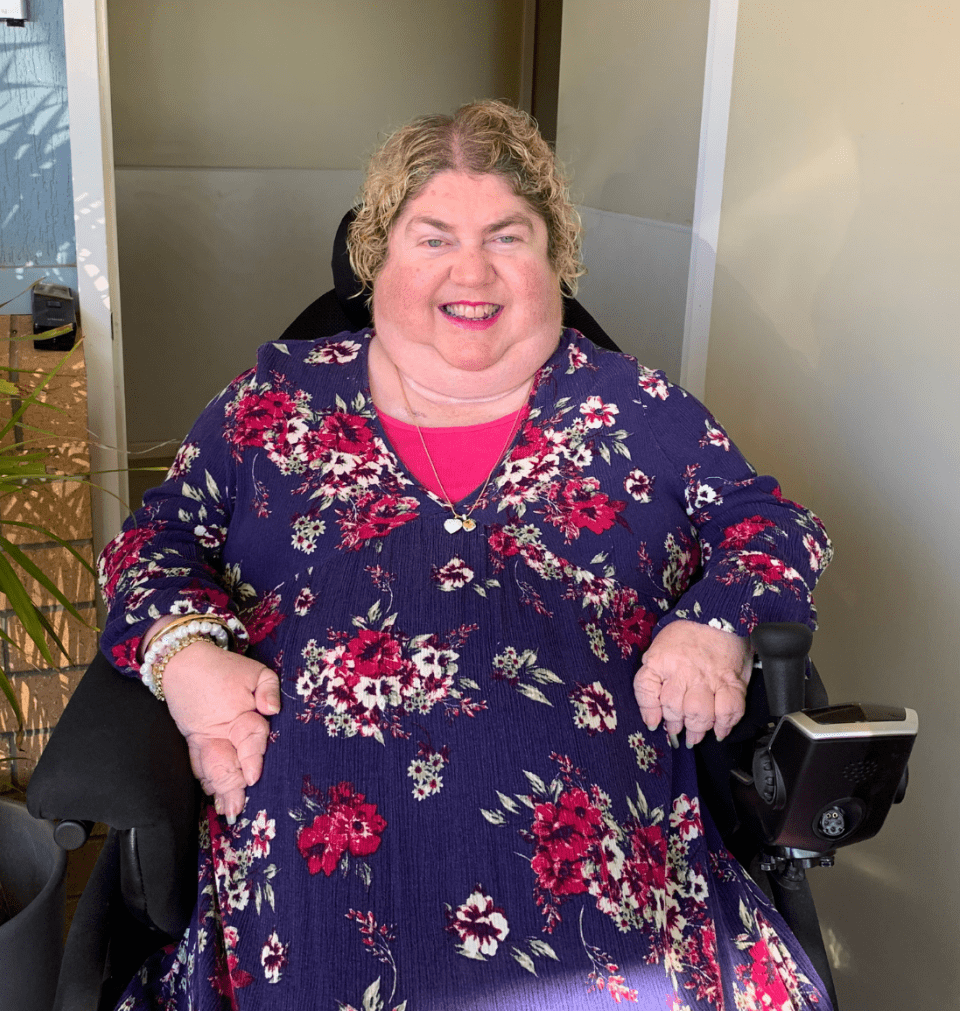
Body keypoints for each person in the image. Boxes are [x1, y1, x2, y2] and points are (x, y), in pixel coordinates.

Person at [99, 100, 834, 1010]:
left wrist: (712, 622)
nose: (472, 271)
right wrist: (187, 656)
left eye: (509, 237)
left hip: (606, 903)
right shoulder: (273, 405)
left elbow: (774, 525)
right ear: (380, 257)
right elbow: (152, 537)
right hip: (314, 896)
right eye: (433, 236)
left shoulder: (640, 410)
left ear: (555, 255)